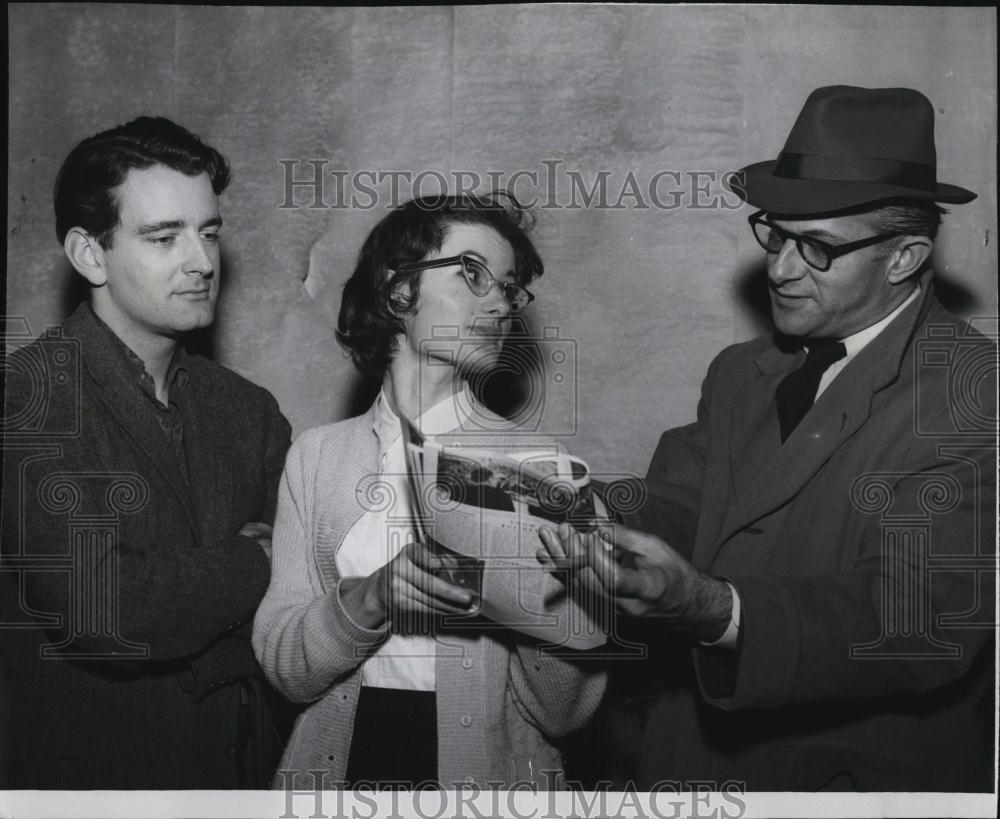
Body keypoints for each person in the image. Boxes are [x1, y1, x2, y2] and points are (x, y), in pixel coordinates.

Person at [538, 86, 996, 791]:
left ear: (905, 257)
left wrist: (715, 607)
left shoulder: (972, 388)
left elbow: (918, 622)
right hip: (690, 769)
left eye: (816, 247)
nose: (780, 269)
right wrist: (574, 506)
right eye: (776, 234)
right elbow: (684, 504)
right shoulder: (741, 371)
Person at [253, 192, 606, 790]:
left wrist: (560, 601)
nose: (499, 301)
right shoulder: (316, 457)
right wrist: (368, 600)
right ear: (399, 289)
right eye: (473, 273)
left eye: (509, 287)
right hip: (336, 774)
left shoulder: (544, 469)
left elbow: (564, 714)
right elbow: (286, 669)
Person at [0, 116, 292, 788]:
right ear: (89, 254)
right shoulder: (29, 396)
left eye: (209, 232)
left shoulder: (249, 410)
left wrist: (187, 595)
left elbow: (300, 604)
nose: (203, 261)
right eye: (165, 237)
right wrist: (255, 558)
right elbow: (104, 607)